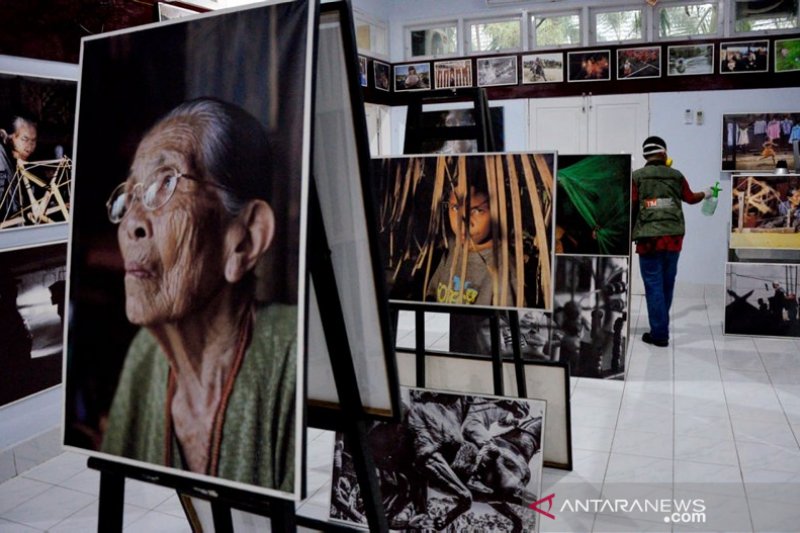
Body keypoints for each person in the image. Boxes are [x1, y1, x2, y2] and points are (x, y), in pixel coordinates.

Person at [100, 98, 297, 492]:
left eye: (165, 184)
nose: (131, 224)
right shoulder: (144, 357)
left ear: (244, 240)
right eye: (132, 194)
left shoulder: (297, 358)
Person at [631, 136, 711, 347]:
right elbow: (691, 198)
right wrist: (707, 192)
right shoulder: (676, 176)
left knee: (653, 285)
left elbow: (630, 206)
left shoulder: (636, 177)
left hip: (648, 239)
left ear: (645, 155)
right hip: (674, 238)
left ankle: (659, 333)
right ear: (664, 153)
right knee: (667, 284)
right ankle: (660, 327)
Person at [427, 179, 515, 306]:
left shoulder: (503, 268)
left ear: (498, 211)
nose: (463, 222)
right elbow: (432, 293)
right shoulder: (453, 248)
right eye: (456, 208)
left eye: (477, 211)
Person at [0, 116, 38, 219]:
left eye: (33, 141)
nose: (30, 146)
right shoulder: (2, 159)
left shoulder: (23, 161)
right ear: (9, 136)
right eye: (24, 139)